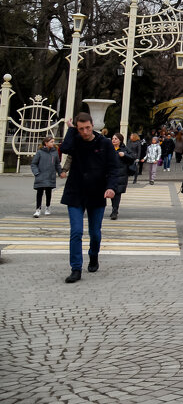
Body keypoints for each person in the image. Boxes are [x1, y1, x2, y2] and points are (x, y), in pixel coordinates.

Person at [58, 112, 120, 283]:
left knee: (95, 233)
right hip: (75, 192)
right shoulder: (76, 140)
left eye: (87, 128)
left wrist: (111, 188)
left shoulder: (105, 143)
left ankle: (93, 256)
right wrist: (71, 131)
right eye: (81, 129)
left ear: (93, 125)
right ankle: (76, 268)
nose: (84, 132)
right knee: (76, 231)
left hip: (97, 192)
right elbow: (64, 149)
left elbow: (114, 168)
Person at [31, 135, 61, 217]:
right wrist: (36, 173)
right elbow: (34, 164)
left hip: (50, 175)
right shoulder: (40, 152)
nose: (53, 143)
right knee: (39, 192)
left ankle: (47, 207)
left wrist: (60, 172)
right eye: (51, 142)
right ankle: (38, 209)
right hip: (41, 175)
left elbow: (57, 164)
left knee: (48, 192)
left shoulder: (55, 152)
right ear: (46, 143)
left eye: (53, 141)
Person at [109, 132, 134, 219]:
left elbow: (132, 158)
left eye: (116, 139)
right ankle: (113, 208)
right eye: (113, 139)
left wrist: (124, 155)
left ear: (120, 140)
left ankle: (115, 210)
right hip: (110, 174)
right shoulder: (109, 149)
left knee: (117, 193)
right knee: (111, 192)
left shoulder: (124, 149)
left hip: (121, 174)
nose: (114, 140)